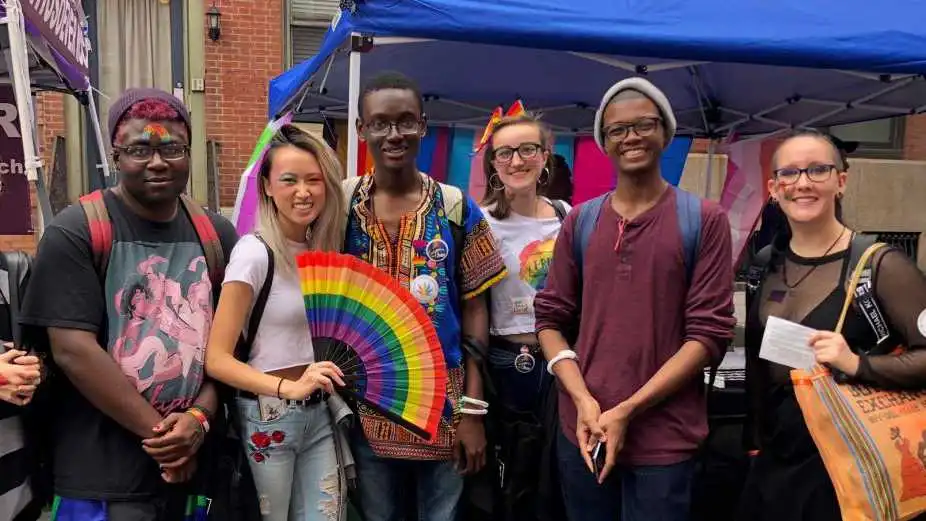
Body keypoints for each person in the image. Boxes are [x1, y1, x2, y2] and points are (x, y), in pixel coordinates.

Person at [18, 87, 238, 520]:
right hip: (102, 478)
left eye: (171, 147)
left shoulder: (216, 237)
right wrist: (168, 444)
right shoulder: (76, 231)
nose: (157, 162)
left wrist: (199, 416)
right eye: (140, 148)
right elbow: (71, 350)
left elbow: (230, 351)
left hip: (197, 476)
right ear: (116, 157)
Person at [534, 77, 736, 521]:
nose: (631, 137)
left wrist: (627, 409)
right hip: (584, 432)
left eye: (643, 125)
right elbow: (549, 319)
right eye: (617, 130)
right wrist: (584, 399)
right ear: (604, 142)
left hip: (665, 441)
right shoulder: (582, 221)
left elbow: (708, 334)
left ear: (665, 132)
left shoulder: (702, 220)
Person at [343, 71, 507, 521]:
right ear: (361, 129)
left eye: (405, 122)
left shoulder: (455, 208)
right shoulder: (341, 208)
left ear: (423, 125)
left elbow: (476, 307)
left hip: (445, 411)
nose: (393, 134)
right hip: (365, 411)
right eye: (379, 123)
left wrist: (472, 411)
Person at [737, 130, 926, 521]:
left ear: (841, 181)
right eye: (789, 173)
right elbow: (758, 363)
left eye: (818, 170)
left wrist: (858, 364)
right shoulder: (764, 263)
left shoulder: (882, 266)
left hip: (850, 464)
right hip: (776, 463)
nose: (802, 183)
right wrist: (753, 441)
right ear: (774, 188)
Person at [205, 124, 350, 521]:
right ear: (267, 186)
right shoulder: (253, 253)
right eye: (289, 180)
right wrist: (289, 387)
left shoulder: (325, 249)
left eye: (314, 180)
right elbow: (216, 359)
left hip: (321, 413)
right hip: (266, 416)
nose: (303, 192)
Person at [479, 114, 570, 520]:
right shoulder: (480, 222)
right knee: (509, 480)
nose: (517, 161)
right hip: (503, 362)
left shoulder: (568, 217)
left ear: (544, 156)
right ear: (494, 164)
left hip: (560, 363)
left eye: (527, 149)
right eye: (505, 153)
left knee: (553, 476)